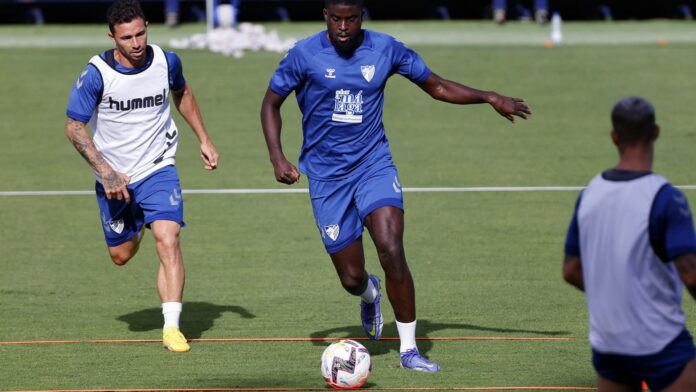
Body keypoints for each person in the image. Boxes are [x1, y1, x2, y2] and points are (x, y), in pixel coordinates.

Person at [260, 0, 530, 372]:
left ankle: (409, 351)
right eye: (336, 19)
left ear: (362, 17)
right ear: (325, 16)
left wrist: (488, 97)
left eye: (351, 19)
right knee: (351, 277)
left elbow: (435, 86)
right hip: (327, 178)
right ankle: (369, 293)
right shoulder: (303, 55)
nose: (343, 27)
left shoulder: (386, 49)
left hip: (374, 166)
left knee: (390, 247)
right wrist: (278, 157)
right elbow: (271, 104)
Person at [65, 0, 219, 353]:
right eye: (126, 38)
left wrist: (204, 138)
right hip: (114, 177)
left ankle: (171, 327)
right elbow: (74, 127)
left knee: (168, 236)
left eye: (140, 34)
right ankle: (134, 227)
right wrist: (106, 172)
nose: (135, 43)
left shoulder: (167, 61)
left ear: (147, 27)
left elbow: (183, 92)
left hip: (158, 166)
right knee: (121, 254)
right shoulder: (96, 74)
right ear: (112, 37)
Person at [563, 96, 696, 391]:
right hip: (660, 342)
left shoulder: (590, 194)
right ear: (656, 132)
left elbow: (571, 270)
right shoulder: (666, 198)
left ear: (614, 137)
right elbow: (692, 275)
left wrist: (617, 292)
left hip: (609, 346)